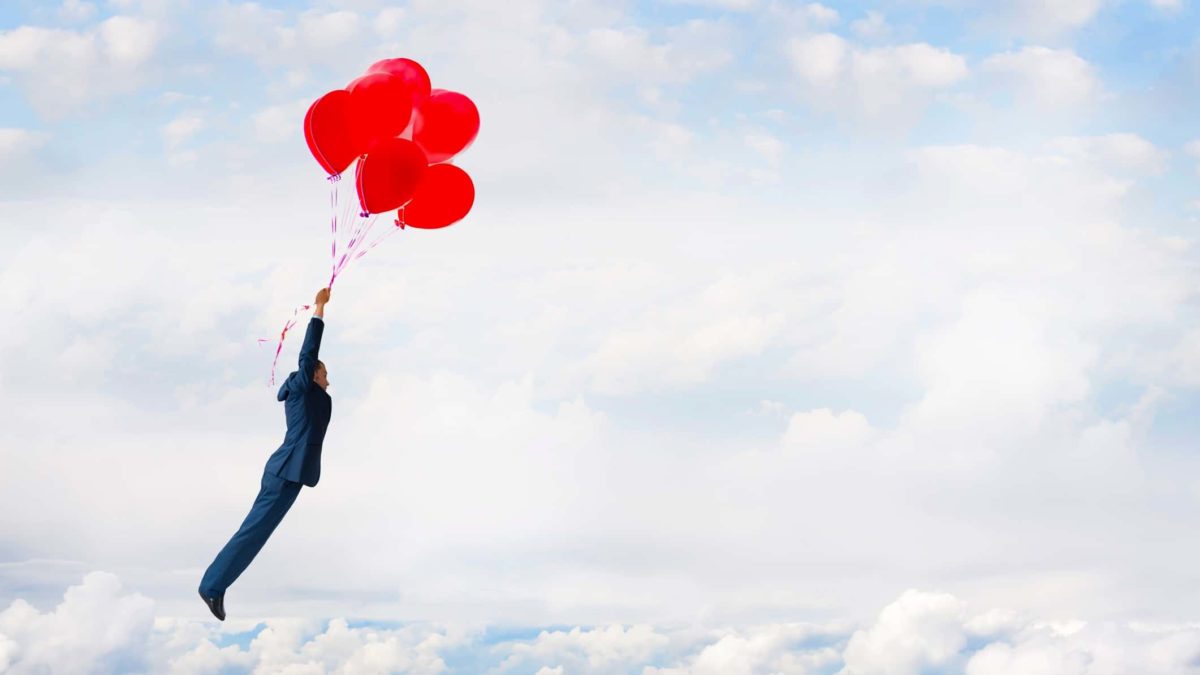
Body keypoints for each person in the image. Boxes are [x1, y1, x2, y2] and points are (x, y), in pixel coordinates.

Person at [198, 287, 333, 621]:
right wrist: (319, 309)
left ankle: (217, 584)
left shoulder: (313, 394)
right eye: (325, 373)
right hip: (285, 471)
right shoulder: (303, 387)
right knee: (253, 531)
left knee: (258, 535)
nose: (329, 379)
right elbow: (308, 353)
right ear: (313, 374)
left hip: (294, 474)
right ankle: (211, 586)